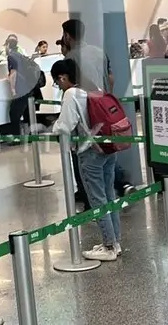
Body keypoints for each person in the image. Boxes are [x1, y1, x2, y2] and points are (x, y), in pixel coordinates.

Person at [50, 58, 120, 261]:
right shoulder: (92, 86)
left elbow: (65, 125)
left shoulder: (71, 94)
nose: (59, 86)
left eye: (57, 82)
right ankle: (115, 242)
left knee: (97, 199)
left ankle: (108, 246)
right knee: (109, 195)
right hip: (108, 146)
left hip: (89, 151)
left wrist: (52, 129)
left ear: (63, 77)